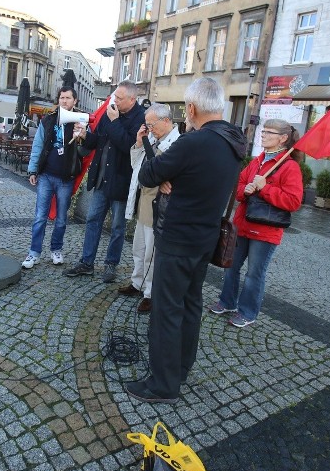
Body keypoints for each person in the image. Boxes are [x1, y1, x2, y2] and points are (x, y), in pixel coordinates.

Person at [126, 77, 246, 404]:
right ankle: (180, 366)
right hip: (205, 237)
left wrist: (167, 174)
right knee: (190, 304)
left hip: (178, 236)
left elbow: (149, 174)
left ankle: (163, 384)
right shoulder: (234, 141)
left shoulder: (193, 143)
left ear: (191, 108)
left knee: (166, 309)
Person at [207, 119, 304, 327]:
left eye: (269, 132)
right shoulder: (257, 160)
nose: (263, 134)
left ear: (283, 139)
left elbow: (294, 201)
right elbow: (240, 184)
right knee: (230, 266)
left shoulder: (289, 167)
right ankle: (228, 301)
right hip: (243, 224)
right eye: (263, 130)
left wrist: (264, 188)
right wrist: (246, 190)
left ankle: (248, 312)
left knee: (254, 274)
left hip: (266, 231)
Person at [64, 80, 145, 282]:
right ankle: (87, 262)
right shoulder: (111, 112)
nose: (114, 100)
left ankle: (111, 264)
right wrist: (85, 136)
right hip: (101, 178)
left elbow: (129, 146)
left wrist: (116, 121)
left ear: (132, 99)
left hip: (121, 182)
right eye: (114, 96)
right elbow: (98, 140)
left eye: (119, 97)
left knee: (117, 227)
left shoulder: (139, 119)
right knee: (93, 220)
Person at [118, 103, 180, 313]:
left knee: (152, 254)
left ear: (166, 121)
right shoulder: (152, 139)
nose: (149, 128)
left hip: (159, 206)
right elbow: (137, 166)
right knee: (139, 248)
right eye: (148, 124)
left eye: (152, 124)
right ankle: (137, 282)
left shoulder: (177, 144)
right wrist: (138, 143)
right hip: (143, 201)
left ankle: (150, 293)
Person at [22, 87, 83, 268]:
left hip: (66, 178)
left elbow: (85, 150)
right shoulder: (48, 120)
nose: (64, 101)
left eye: (68, 98)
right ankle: (34, 253)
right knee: (40, 216)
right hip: (47, 175)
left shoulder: (79, 121)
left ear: (75, 101)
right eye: (62, 98)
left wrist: (82, 137)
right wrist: (33, 170)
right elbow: (38, 146)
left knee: (61, 218)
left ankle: (56, 249)